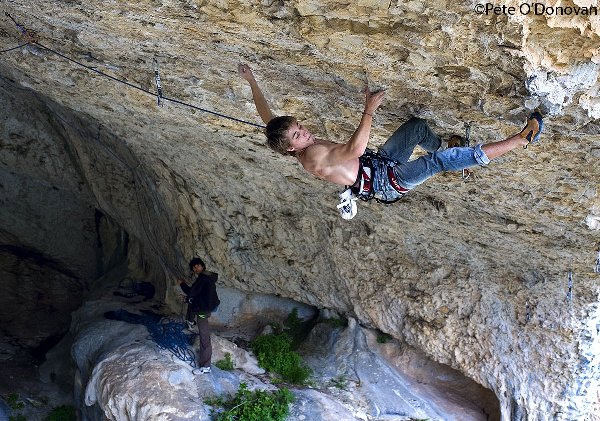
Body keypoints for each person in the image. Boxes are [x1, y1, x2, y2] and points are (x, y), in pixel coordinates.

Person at [237, 63, 544, 219]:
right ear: (291, 147)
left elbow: (268, 118)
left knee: (416, 127)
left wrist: (252, 80)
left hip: (379, 164)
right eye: (297, 134)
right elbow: (355, 150)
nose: (303, 131)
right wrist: (368, 110)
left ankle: (447, 146)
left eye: (299, 126)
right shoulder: (314, 156)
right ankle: (520, 140)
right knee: (437, 164)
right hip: (387, 183)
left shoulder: (287, 142)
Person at [176, 257, 220, 374]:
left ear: (202, 266)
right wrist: (188, 299)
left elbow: (191, 292)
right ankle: (190, 321)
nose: (196, 268)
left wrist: (182, 284)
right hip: (206, 306)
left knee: (204, 336)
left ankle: (206, 366)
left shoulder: (203, 279)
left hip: (203, 310)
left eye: (198, 266)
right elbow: (198, 294)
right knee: (191, 303)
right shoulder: (208, 277)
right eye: (194, 267)